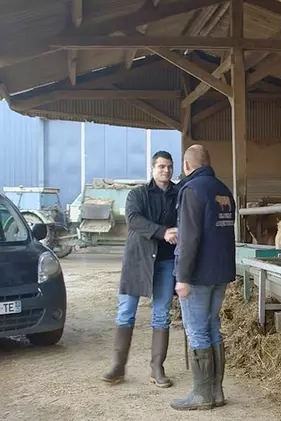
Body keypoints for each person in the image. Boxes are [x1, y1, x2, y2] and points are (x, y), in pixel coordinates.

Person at [101, 150, 179, 388]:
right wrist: (163, 232)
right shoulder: (138, 194)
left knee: (161, 313)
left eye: (169, 166)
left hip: (165, 262)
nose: (166, 170)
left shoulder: (180, 195)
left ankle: (157, 368)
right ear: (152, 169)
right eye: (161, 166)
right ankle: (118, 366)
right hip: (138, 260)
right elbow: (133, 219)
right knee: (126, 311)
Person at [170, 144, 236, 411]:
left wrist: (182, 277)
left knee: (197, 330)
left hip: (197, 274)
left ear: (187, 165)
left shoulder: (192, 190)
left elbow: (189, 238)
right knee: (211, 327)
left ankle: (201, 395)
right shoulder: (223, 190)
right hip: (220, 271)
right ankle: (216, 392)